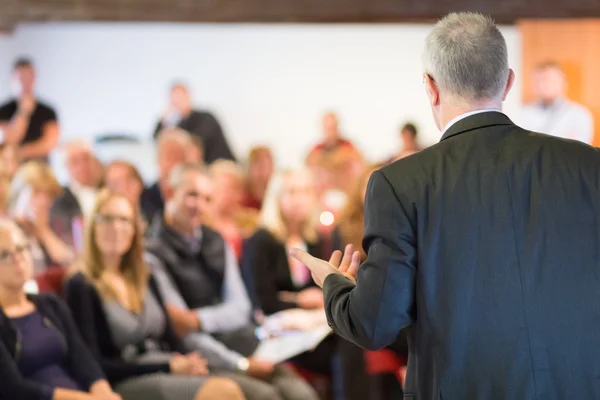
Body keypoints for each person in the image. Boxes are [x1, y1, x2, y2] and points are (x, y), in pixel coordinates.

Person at [290, 12, 600, 400]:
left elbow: (374, 324)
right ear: (507, 82)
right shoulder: (589, 165)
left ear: (431, 88)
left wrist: (333, 283)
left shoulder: (399, 183)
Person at [146, 163, 319, 400]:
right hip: (199, 355)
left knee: (302, 394)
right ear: (169, 193)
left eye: (207, 198)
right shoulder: (152, 253)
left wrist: (197, 319)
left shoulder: (215, 240)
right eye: (192, 195)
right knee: (266, 396)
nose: (200, 206)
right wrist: (240, 364)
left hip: (243, 340)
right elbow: (181, 331)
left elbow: (240, 308)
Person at [64, 189, 245, 400]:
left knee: (241, 389)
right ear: (92, 226)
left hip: (165, 366)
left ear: (134, 230)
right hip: (126, 379)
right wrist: (168, 366)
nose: (116, 227)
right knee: (224, 392)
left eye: (125, 220)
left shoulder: (144, 275)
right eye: (107, 219)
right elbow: (93, 363)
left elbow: (170, 336)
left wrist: (189, 361)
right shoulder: (80, 285)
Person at [0, 218, 122, 400]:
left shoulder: (50, 304)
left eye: (21, 248)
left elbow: (82, 357)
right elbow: (13, 389)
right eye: (4, 255)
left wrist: (104, 393)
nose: (18, 259)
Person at [8, 161, 74, 276]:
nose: (44, 202)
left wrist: (43, 230)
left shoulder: (57, 224)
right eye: (36, 192)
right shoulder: (7, 228)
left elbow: (69, 263)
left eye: (49, 195)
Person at [153, 83, 236, 164]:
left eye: (180, 98)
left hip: (221, 165)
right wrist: (165, 119)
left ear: (188, 97)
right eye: (174, 100)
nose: (178, 102)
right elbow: (157, 139)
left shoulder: (205, 118)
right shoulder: (178, 125)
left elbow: (196, 142)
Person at [0, 58, 60, 162]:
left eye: (28, 77)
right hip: (10, 168)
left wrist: (20, 152)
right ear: (12, 79)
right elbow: (9, 140)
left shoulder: (48, 111)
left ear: (34, 78)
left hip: (40, 167)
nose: (25, 82)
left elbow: (50, 143)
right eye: (21, 78)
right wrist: (23, 112)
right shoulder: (3, 111)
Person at [518, 61, 594, 144]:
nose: (544, 85)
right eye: (539, 80)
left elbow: (580, 149)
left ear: (564, 82)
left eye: (549, 80)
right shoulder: (521, 112)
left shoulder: (580, 114)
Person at [207, 160, 259, 259]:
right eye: (225, 188)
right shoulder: (200, 220)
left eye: (235, 188)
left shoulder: (252, 221)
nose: (230, 194)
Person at [141, 127, 193, 223]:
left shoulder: (196, 200)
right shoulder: (144, 197)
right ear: (158, 159)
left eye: (180, 156)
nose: (175, 164)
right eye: (170, 156)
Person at [104, 160, 146, 225]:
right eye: (114, 184)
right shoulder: (106, 226)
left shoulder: (156, 217)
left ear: (138, 183)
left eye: (128, 179)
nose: (122, 188)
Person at [241, 146, 274, 211]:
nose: (264, 171)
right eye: (260, 165)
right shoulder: (242, 196)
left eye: (268, 165)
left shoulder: (275, 194)